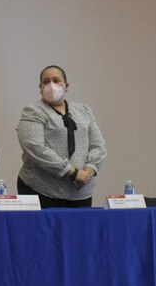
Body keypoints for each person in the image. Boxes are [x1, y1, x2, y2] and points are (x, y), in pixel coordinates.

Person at [16, 65, 107, 208]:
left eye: (56, 80)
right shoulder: (33, 112)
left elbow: (98, 145)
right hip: (42, 190)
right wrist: (72, 172)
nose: (51, 85)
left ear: (66, 86)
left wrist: (88, 171)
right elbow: (36, 148)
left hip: (81, 193)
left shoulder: (83, 110)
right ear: (40, 87)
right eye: (46, 82)